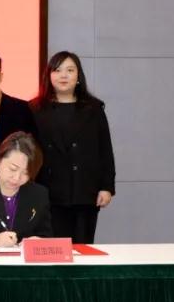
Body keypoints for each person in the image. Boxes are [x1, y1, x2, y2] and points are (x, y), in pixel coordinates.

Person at [31, 51, 116, 244]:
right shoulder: (35, 109)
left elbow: (105, 150)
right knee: (52, 248)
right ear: (49, 75)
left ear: (78, 76)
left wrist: (106, 187)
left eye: (70, 70)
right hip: (48, 192)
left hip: (84, 191)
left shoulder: (93, 109)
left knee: (82, 248)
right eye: (57, 70)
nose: (63, 75)